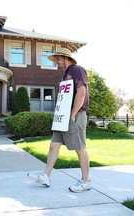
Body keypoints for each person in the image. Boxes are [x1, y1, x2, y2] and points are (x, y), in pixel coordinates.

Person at [27, 48, 91, 193]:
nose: (56, 62)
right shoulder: (65, 75)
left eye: (57, 59)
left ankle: (85, 181)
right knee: (54, 146)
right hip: (62, 116)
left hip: (75, 115)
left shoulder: (77, 70)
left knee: (79, 148)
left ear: (65, 58)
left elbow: (82, 92)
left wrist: (73, 113)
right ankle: (46, 176)